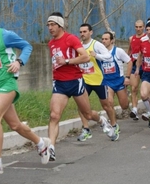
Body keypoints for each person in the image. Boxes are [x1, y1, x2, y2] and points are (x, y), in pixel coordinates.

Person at [0, 2, 51, 174]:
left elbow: (27, 46)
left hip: (7, 84)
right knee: (15, 125)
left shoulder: (4, 35)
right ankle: (41, 143)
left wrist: (18, 61)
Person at [46, 12, 111, 161]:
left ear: (60, 25)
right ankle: (51, 148)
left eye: (52, 25)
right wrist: (53, 75)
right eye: (48, 25)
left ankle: (101, 121)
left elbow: (85, 56)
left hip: (75, 81)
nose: (50, 28)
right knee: (54, 115)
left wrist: (67, 61)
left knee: (88, 114)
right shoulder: (51, 43)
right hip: (60, 83)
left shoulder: (71, 38)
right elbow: (55, 62)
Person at [77, 24, 117, 141]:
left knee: (106, 105)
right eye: (81, 32)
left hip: (99, 80)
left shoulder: (96, 45)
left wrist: (97, 55)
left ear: (91, 32)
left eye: (85, 31)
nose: (82, 34)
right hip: (85, 80)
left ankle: (113, 125)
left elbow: (109, 57)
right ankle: (86, 129)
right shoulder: (78, 46)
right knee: (81, 105)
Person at [100, 31, 132, 124]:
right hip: (107, 82)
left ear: (112, 40)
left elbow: (129, 62)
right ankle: (113, 124)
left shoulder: (118, 51)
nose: (104, 41)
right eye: (102, 39)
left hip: (119, 81)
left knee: (124, 105)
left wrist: (127, 77)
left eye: (106, 39)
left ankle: (127, 94)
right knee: (109, 103)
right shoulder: (99, 53)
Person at [127, 20, 148, 120]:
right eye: (136, 27)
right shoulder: (131, 38)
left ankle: (149, 110)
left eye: (140, 27)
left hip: (145, 65)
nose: (138, 29)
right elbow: (129, 51)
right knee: (134, 88)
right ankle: (134, 110)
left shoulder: (146, 38)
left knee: (145, 90)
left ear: (143, 27)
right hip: (134, 65)